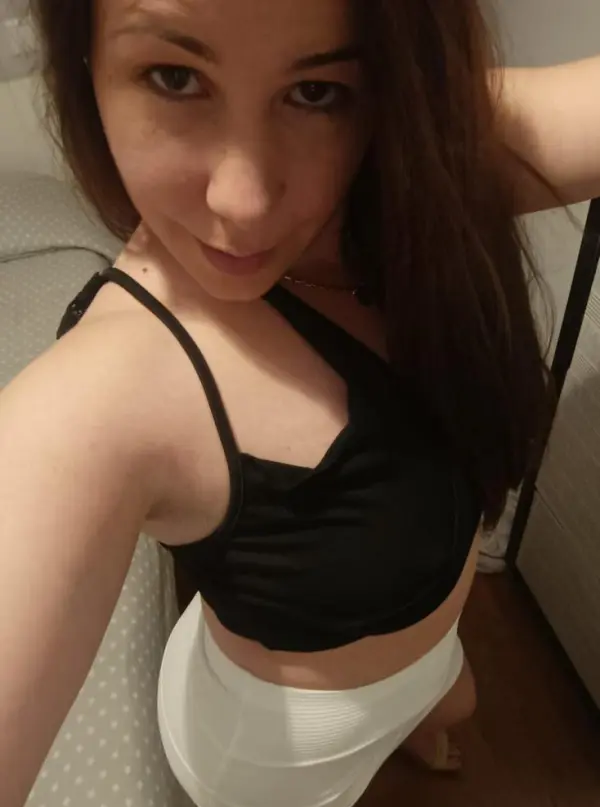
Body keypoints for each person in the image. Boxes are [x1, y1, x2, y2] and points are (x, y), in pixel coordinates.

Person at [1, 1, 599, 805]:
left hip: (426, 661)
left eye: (317, 92)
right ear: (87, 69)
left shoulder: (421, 161)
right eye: (174, 77)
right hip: (278, 763)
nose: (242, 202)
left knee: (454, 700)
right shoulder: (102, 395)